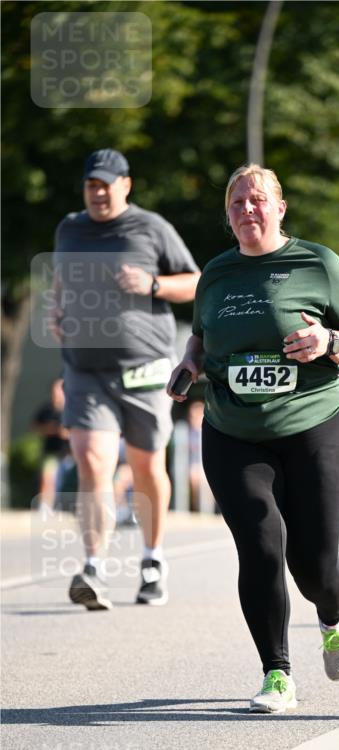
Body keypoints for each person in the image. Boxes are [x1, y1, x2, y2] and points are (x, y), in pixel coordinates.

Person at [168, 163, 339, 712]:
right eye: (237, 202)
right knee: (260, 545)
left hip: (314, 423)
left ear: (280, 208)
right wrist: (189, 366)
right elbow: (200, 338)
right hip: (233, 429)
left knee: (314, 561)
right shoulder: (215, 273)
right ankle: (276, 673)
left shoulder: (318, 263)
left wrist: (328, 340)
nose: (247, 210)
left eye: (257, 200)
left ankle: (334, 616)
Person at [50, 148, 200, 609]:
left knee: (146, 467)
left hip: (146, 367)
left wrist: (152, 285)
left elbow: (195, 281)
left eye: (105, 184)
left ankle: (153, 560)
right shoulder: (69, 229)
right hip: (85, 368)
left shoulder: (152, 228)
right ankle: (93, 568)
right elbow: (60, 281)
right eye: (90, 185)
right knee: (93, 460)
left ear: (125, 185)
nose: (97, 192)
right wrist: (56, 310)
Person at [32, 377, 70, 513]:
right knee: (48, 477)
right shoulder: (46, 409)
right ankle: (45, 506)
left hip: (71, 454)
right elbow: (35, 427)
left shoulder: (72, 408)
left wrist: (66, 433)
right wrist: (52, 429)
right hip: (52, 452)